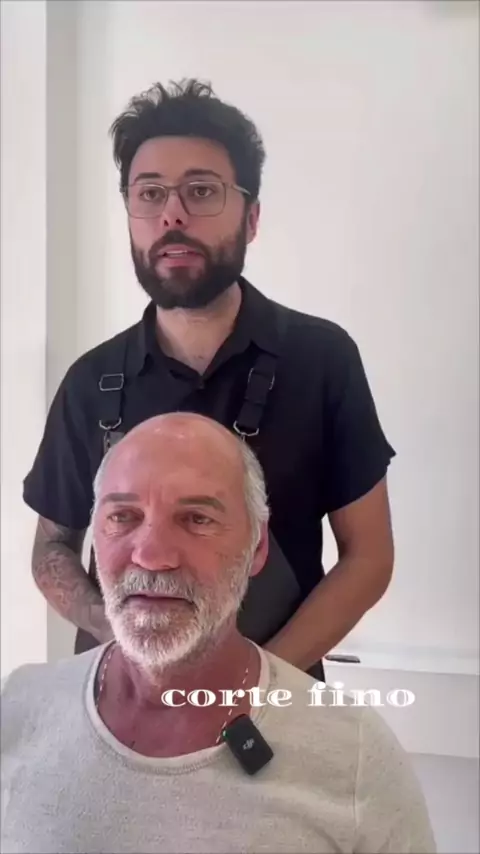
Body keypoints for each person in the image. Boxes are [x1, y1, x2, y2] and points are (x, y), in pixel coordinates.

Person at [24, 79, 395, 672]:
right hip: (117, 702)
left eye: (201, 191)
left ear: (251, 218)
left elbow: (368, 556)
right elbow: (51, 549)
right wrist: (120, 636)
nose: (172, 213)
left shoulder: (323, 360)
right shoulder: (91, 380)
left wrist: (254, 688)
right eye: (149, 193)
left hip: (275, 699)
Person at [3, 414, 434, 854]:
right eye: (123, 516)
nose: (152, 555)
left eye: (196, 519)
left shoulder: (353, 756)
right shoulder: (18, 708)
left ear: (257, 546)